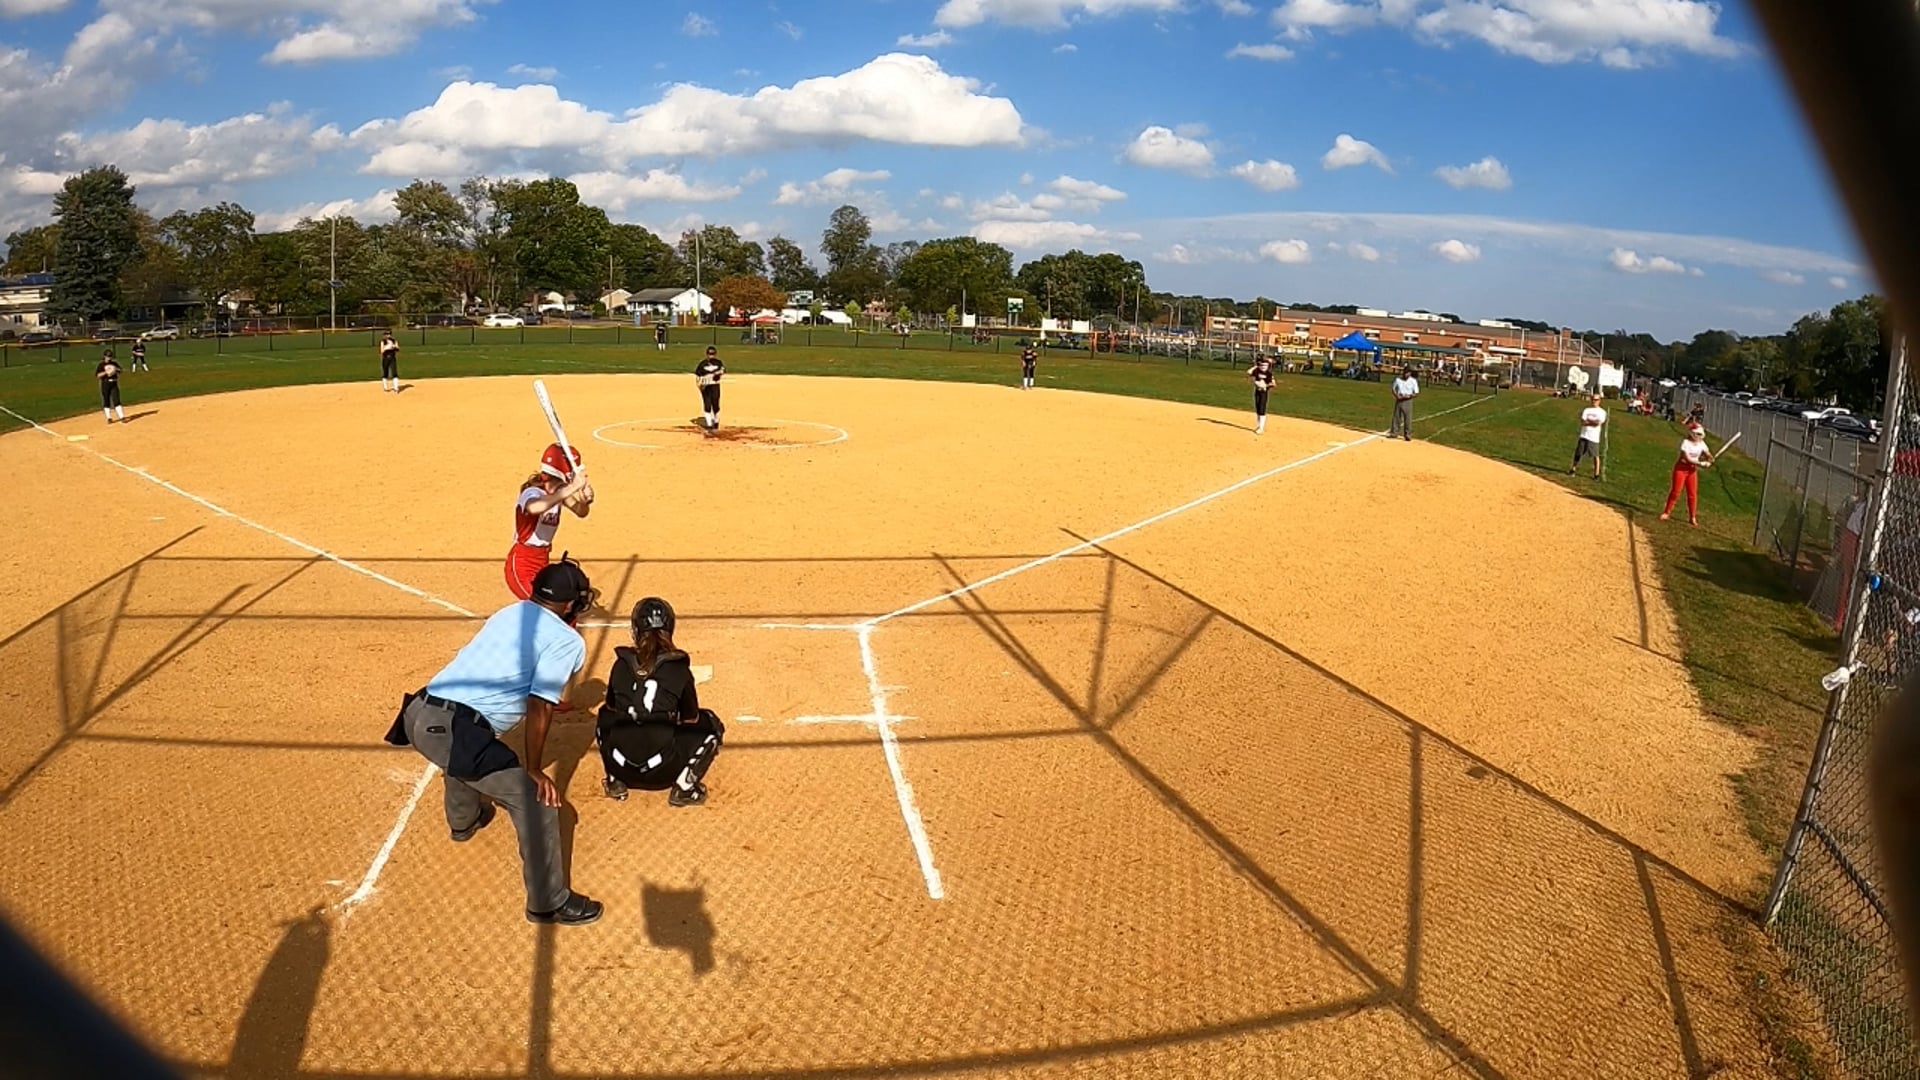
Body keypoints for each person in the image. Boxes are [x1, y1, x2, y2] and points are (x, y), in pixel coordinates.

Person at [385, 559, 604, 925]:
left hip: (418, 711)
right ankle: (549, 902)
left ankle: (465, 821)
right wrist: (535, 769)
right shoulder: (567, 640)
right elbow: (540, 704)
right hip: (452, 730)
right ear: (570, 603)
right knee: (537, 803)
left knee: (470, 753)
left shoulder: (511, 611)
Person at [595, 597, 725, 807]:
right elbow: (690, 718)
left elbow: (611, 707)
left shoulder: (621, 664)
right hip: (663, 771)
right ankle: (684, 789)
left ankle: (614, 780)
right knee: (710, 724)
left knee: (604, 715)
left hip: (619, 765)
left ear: (636, 630)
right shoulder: (678, 667)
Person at [507, 444, 593, 602]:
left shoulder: (559, 493)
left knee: (558, 608)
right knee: (541, 606)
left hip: (542, 560)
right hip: (522, 563)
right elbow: (535, 507)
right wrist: (572, 487)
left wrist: (585, 500)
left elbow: (581, 512)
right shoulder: (532, 492)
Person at [1660, 422, 1714, 526]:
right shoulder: (1685, 443)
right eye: (1697, 434)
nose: (1699, 436)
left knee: (1692, 494)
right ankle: (1667, 512)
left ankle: (1692, 517)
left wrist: (1710, 459)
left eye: (1700, 434)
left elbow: (1707, 454)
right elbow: (1687, 458)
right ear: (1692, 433)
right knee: (1676, 491)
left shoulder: (1702, 443)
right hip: (1681, 469)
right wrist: (1700, 463)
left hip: (1691, 471)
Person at [1571, 393, 1606, 478]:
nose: (1594, 401)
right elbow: (1583, 422)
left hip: (1594, 437)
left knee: (1595, 455)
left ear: (1599, 401)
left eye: (1596, 400)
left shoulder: (1602, 412)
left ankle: (1596, 474)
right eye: (1593, 399)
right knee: (1578, 453)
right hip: (1584, 435)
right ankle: (1573, 469)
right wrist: (1592, 423)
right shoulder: (1587, 410)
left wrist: (1589, 422)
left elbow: (1598, 423)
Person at [694, 347, 725, 431]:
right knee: (707, 405)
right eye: (709, 354)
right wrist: (699, 385)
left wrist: (718, 373)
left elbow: (722, 370)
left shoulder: (718, 363)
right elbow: (698, 375)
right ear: (707, 354)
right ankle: (709, 424)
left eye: (712, 354)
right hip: (706, 386)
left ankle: (716, 421)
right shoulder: (702, 364)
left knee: (715, 404)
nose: (711, 356)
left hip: (715, 385)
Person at [1247, 354, 1276, 434]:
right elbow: (1249, 372)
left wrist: (1265, 385)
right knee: (1257, 408)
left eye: (1265, 365)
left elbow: (1273, 384)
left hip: (1264, 392)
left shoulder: (1268, 374)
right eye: (1262, 365)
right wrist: (1256, 366)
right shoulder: (1257, 371)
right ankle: (1259, 425)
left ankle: (1261, 427)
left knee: (1262, 409)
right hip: (1257, 391)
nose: (1263, 367)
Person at [1389, 367, 1418, 440]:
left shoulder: (1413, 381)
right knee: (1396, 417)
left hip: (1408, 400)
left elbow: (1416, 393)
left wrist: (1409, 396)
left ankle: (1407, 434)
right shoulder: (1398, 380)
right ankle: (1394, 432)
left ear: (1410, 373)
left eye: (1407, 373)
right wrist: (1397, 396)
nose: (1405, 375)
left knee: (1407, 418)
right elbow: (1393, 389)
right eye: (1405, 373)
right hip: (1399, 399)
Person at [96, 349, 125, 424]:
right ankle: (109, 418)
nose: (109, 358)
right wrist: (106, 372)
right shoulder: (101, 365)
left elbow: (121, 370)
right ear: (104, 356)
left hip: (114, 383)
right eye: (108, 356)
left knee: (116, 400)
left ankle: (121, 417)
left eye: (110, 356)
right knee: (106, 400)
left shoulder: (114, 363)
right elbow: (98, 375)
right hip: (105, 384)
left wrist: (115, 369)